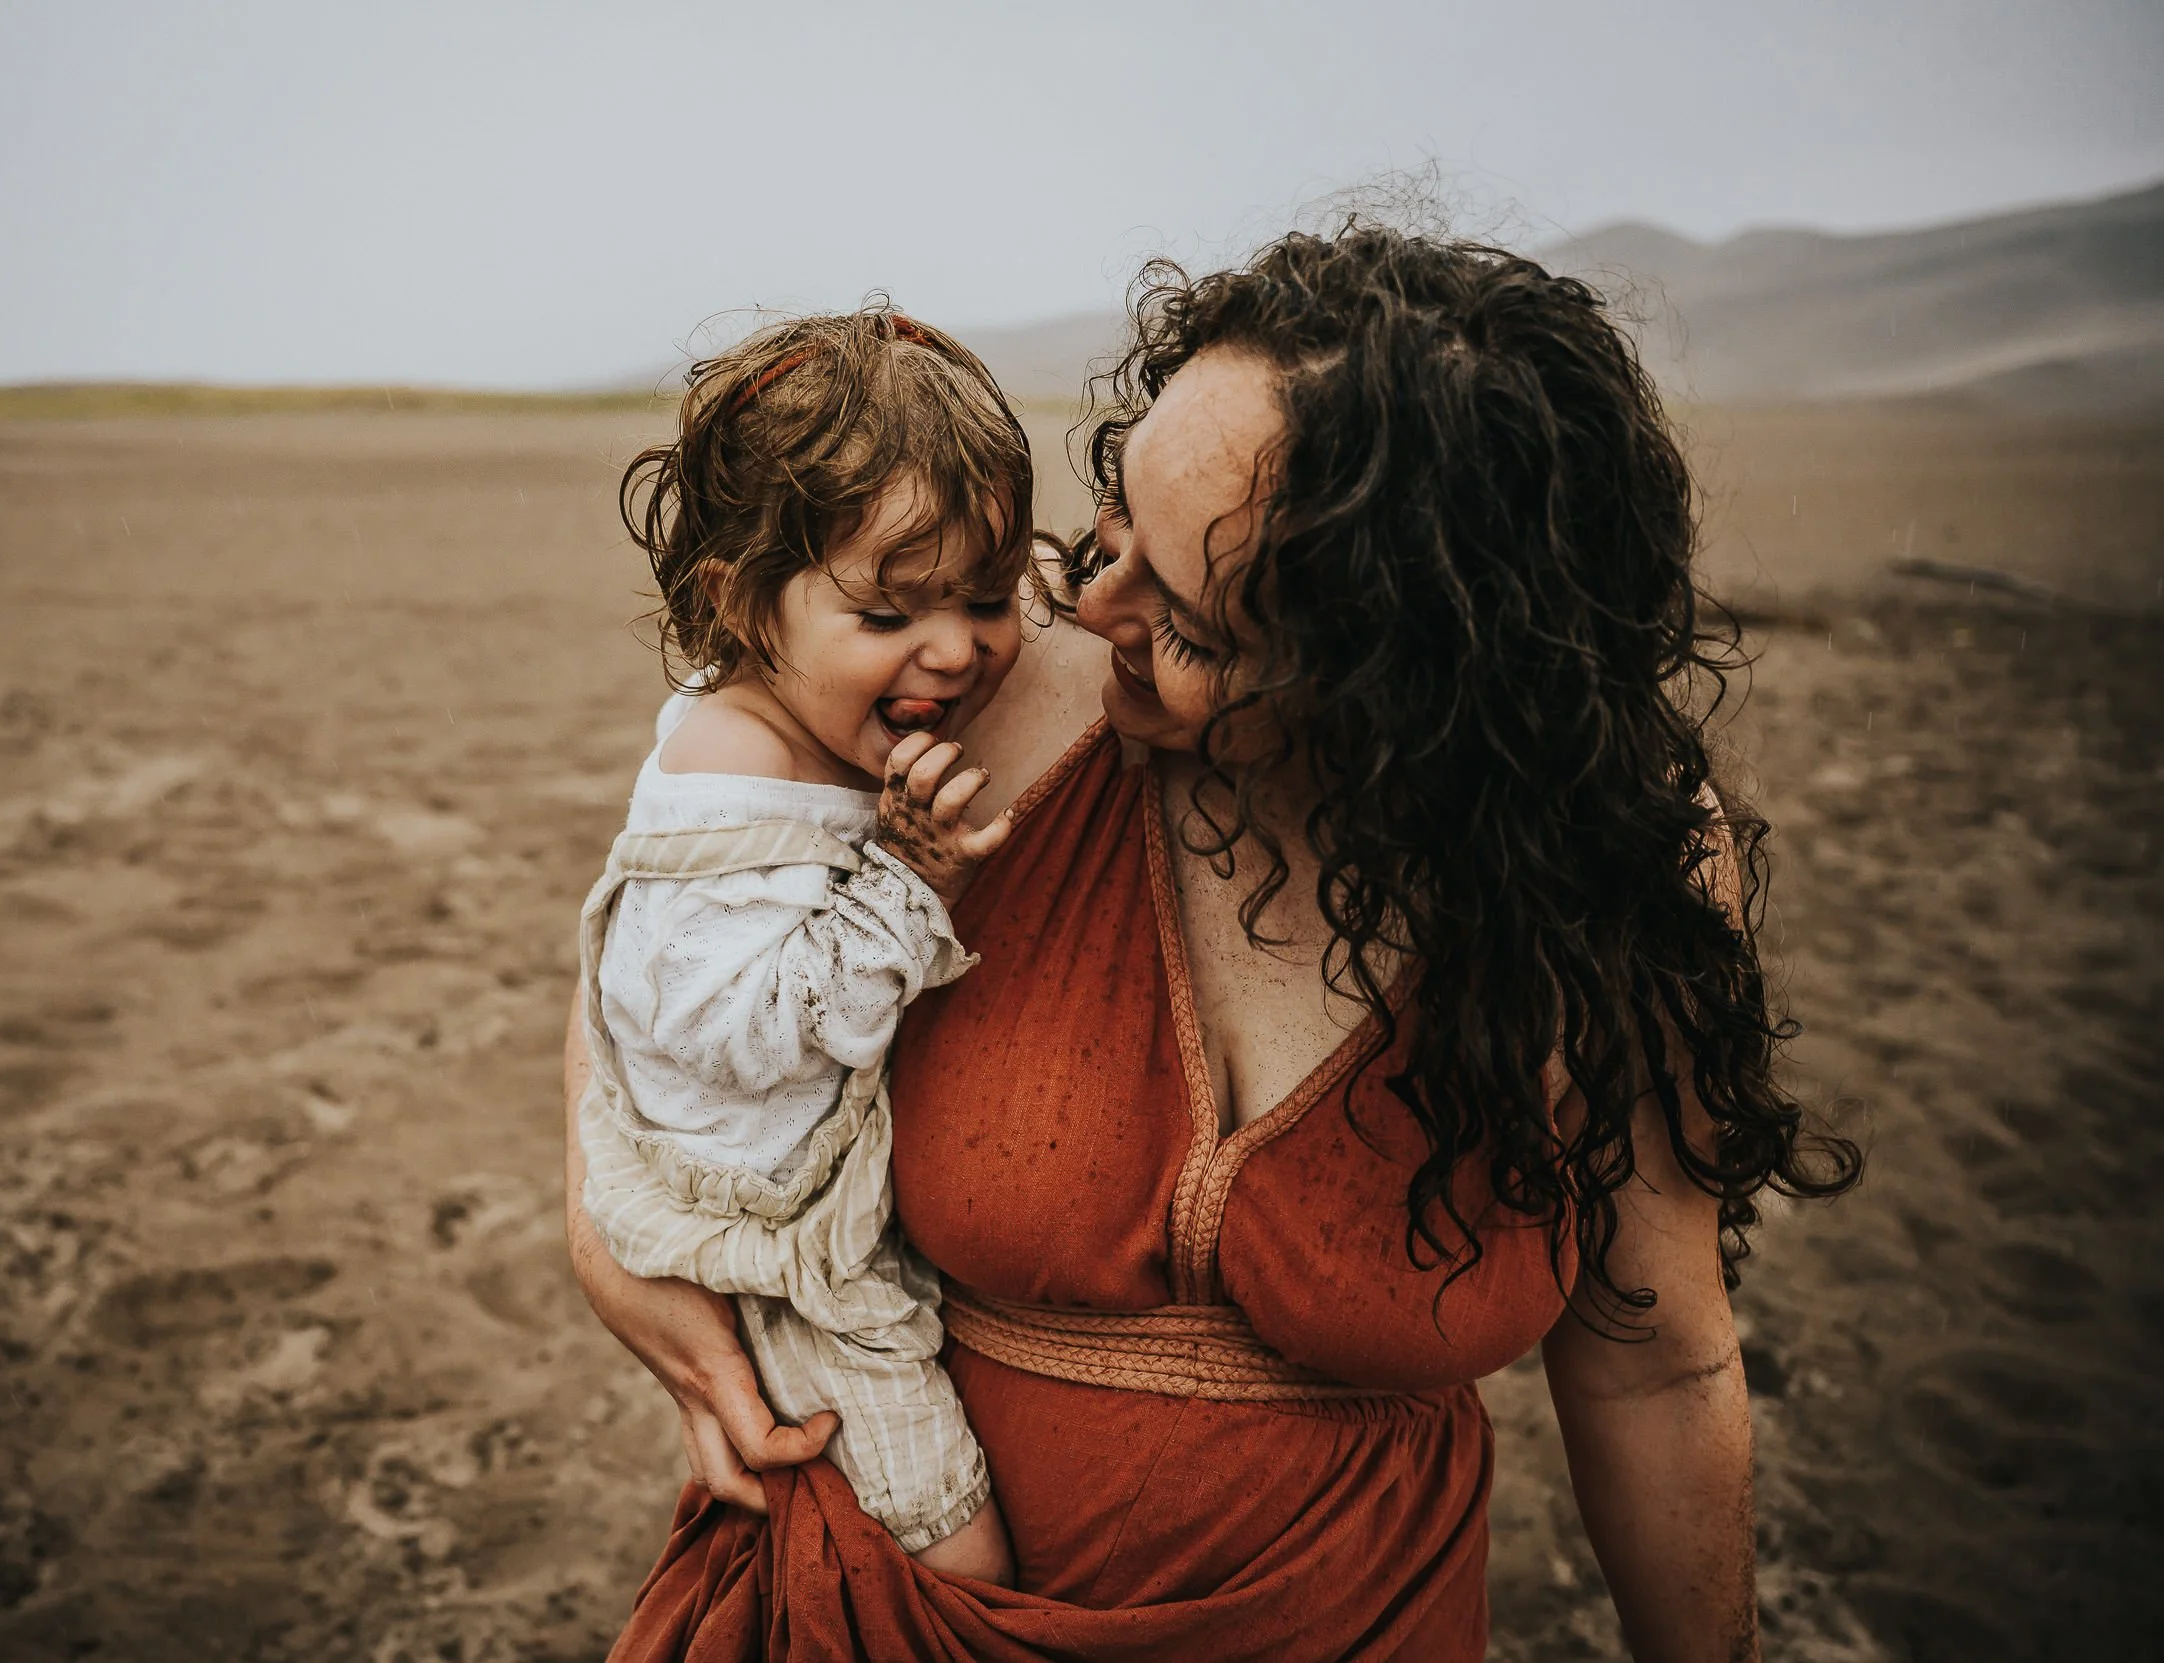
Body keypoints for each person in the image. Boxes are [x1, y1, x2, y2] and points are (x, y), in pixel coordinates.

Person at [565, 223, 1861, 1661]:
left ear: (1394, 682)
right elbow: (679, 878)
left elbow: (1657, 1356)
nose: (1085, 605)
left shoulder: (1612, 871)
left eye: (1184, 613)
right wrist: (601, 1221)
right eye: (1111, 527)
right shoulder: (980, 694)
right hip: (881, 1606)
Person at [576, 307, 1036, 1587]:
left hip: (806, 1201)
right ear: (740, 604)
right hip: (777, 1248)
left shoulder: (785, 718)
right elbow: (754, 1030)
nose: (955, 649)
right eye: (890, 613)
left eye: (988, 597)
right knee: (945, 1527)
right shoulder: (736, 779)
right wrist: (908, 878)